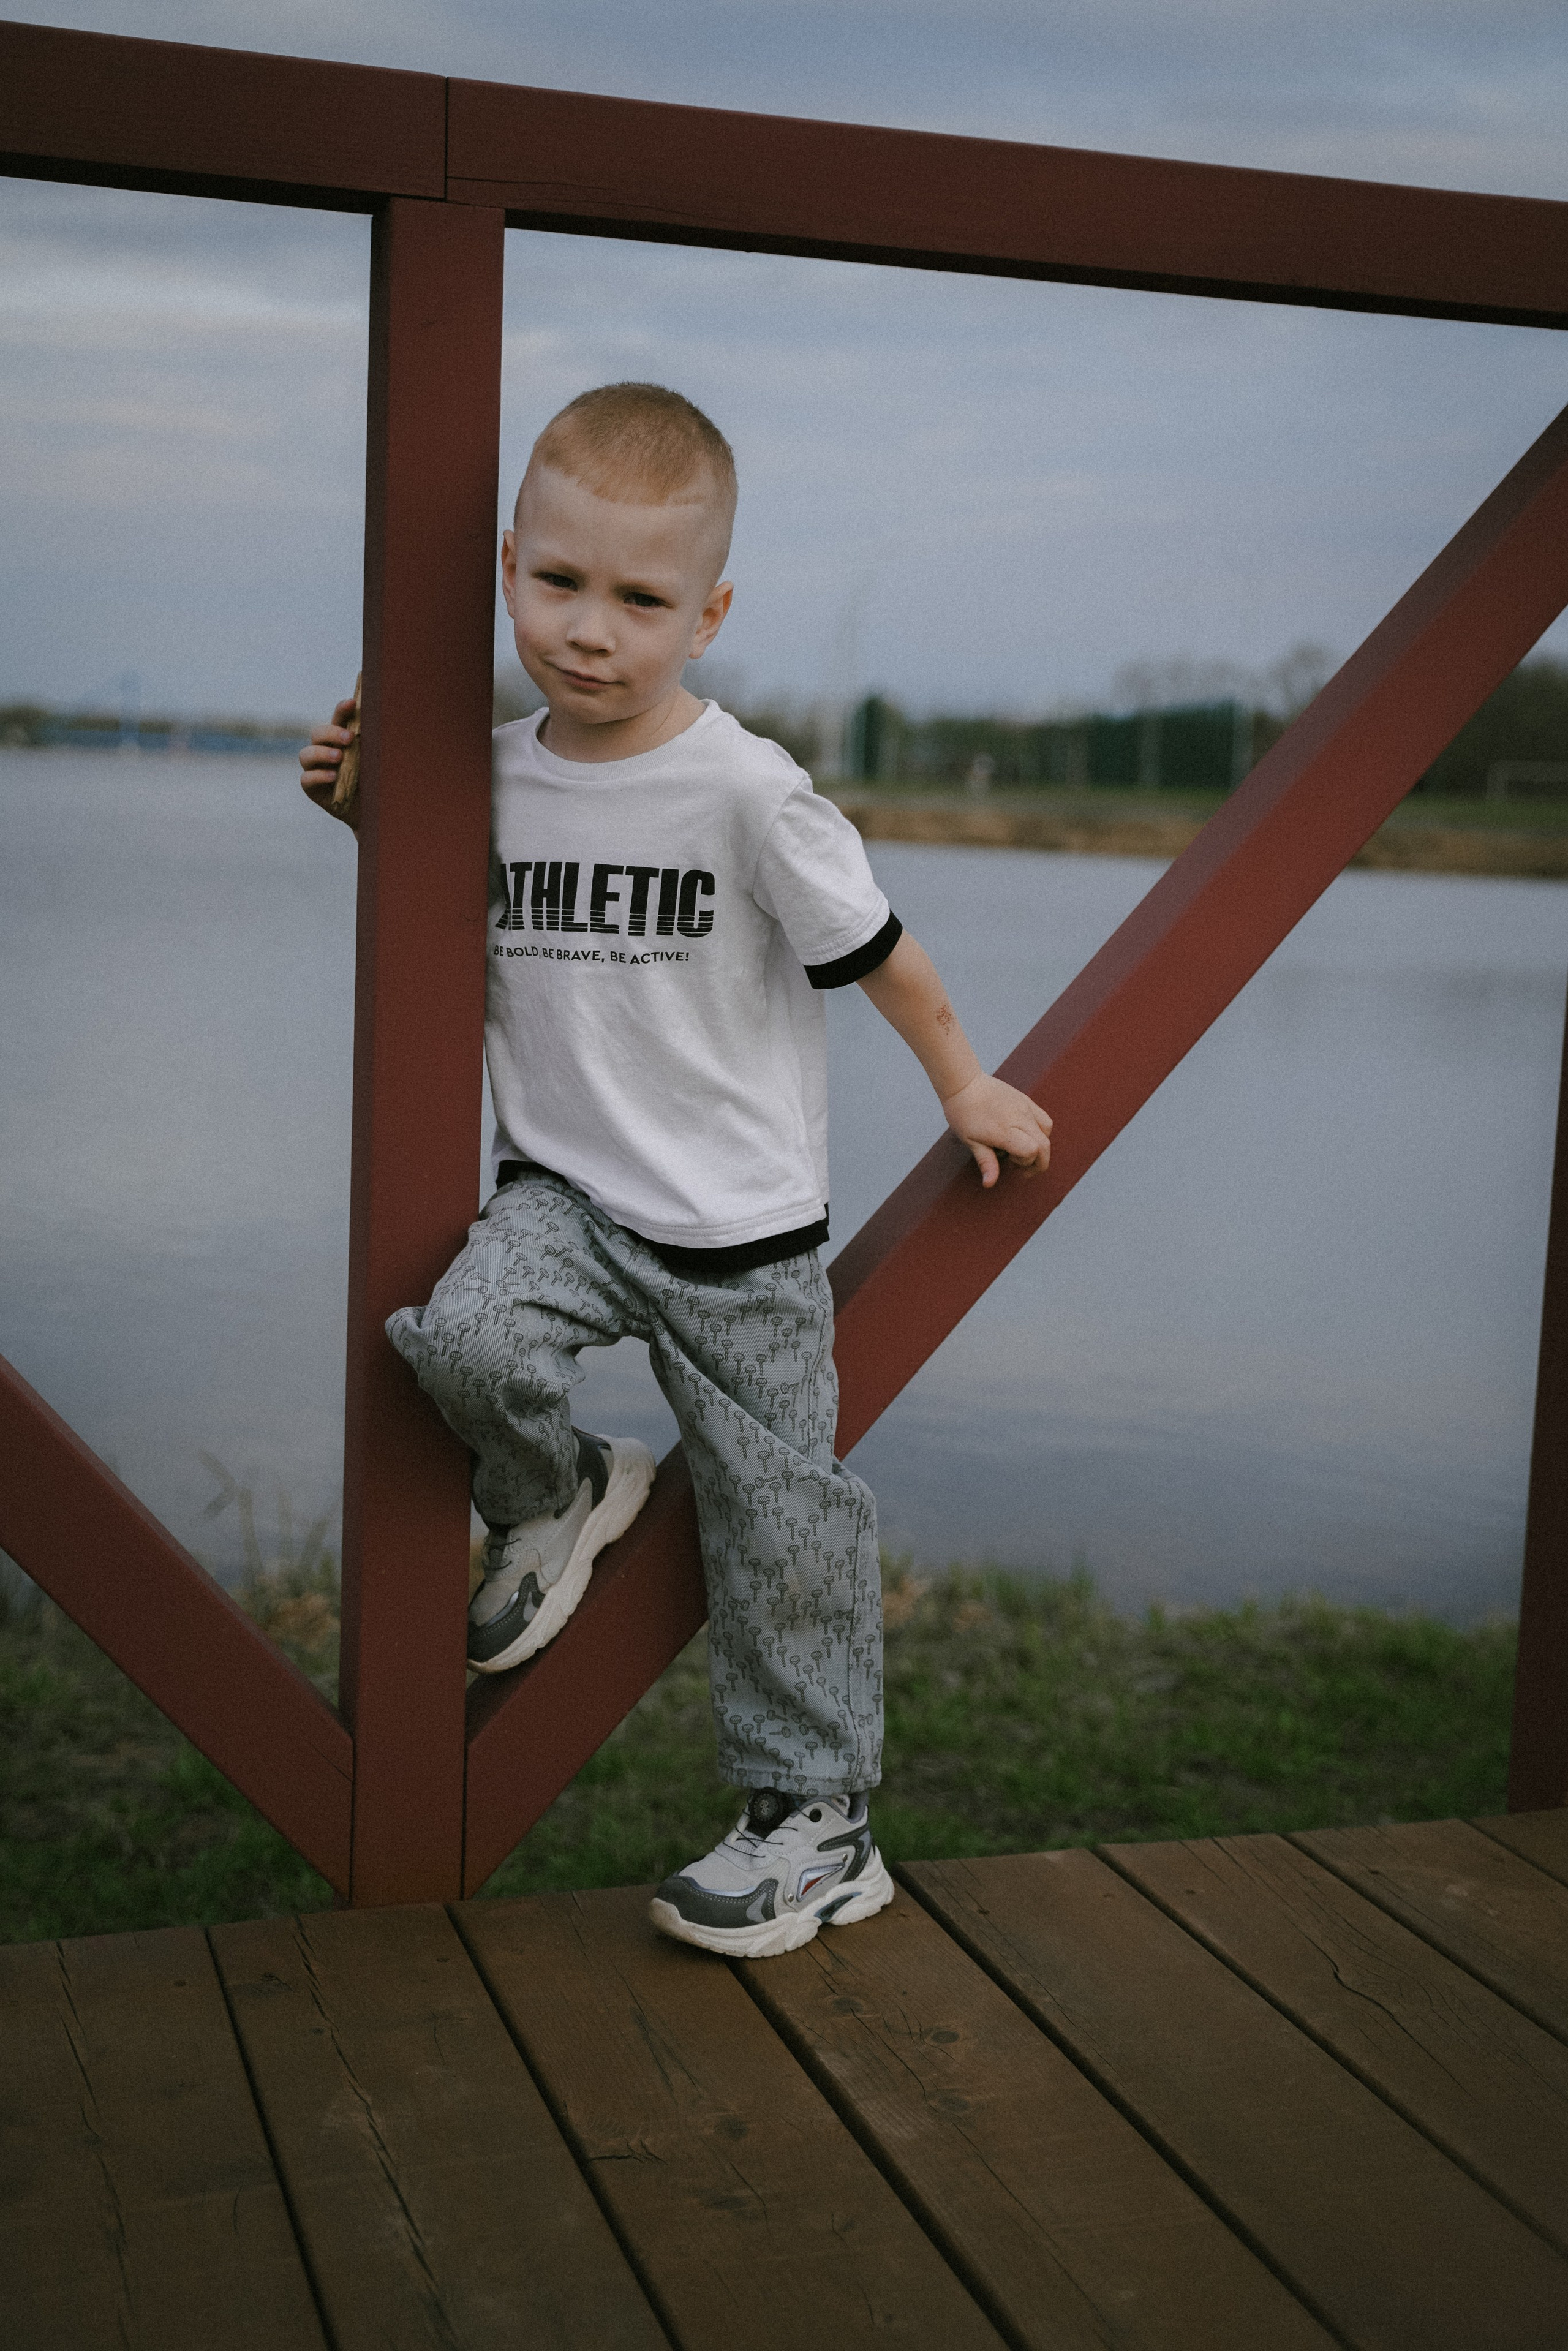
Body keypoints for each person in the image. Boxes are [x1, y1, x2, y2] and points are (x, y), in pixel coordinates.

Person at [300, 382, 1052, 1958]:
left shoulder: (746, 790)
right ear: (508, 567)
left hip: (743, 1234)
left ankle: (815, 1820)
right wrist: (369, 799)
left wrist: (964, 1078)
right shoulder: (488, 768)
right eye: (556, 584)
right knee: (460, 1339)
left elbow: (885, 957)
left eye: (639, 600)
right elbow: (429, 880)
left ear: (705, 613)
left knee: (782, 1527)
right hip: (564, 1198)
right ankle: (556, 1483)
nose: (590, 631)